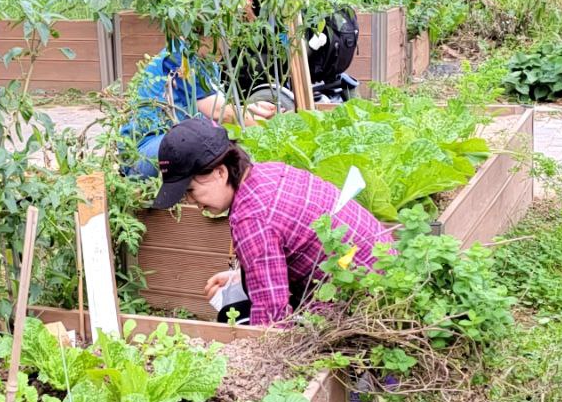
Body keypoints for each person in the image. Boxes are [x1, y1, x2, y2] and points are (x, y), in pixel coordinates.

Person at [151, 116, 393, 326]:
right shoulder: (264, 174)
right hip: (383, 267)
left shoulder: (252, 219)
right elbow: (285, 248)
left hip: (361, 300)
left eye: (191, 190)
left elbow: (272, 317)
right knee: (238, 310)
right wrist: (241, 278)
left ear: (220, 172)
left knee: (235, 320)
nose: (192, 201)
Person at [120, 38, 274, 178]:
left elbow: (221, 107)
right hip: (143, 157)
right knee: (201, 142)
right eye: (225, 37)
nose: (231, 43)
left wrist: (251, 110)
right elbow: (218, 112)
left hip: (174, 146)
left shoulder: (207, 61)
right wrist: (269, 130)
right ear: (204, 32)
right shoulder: (178, 57)